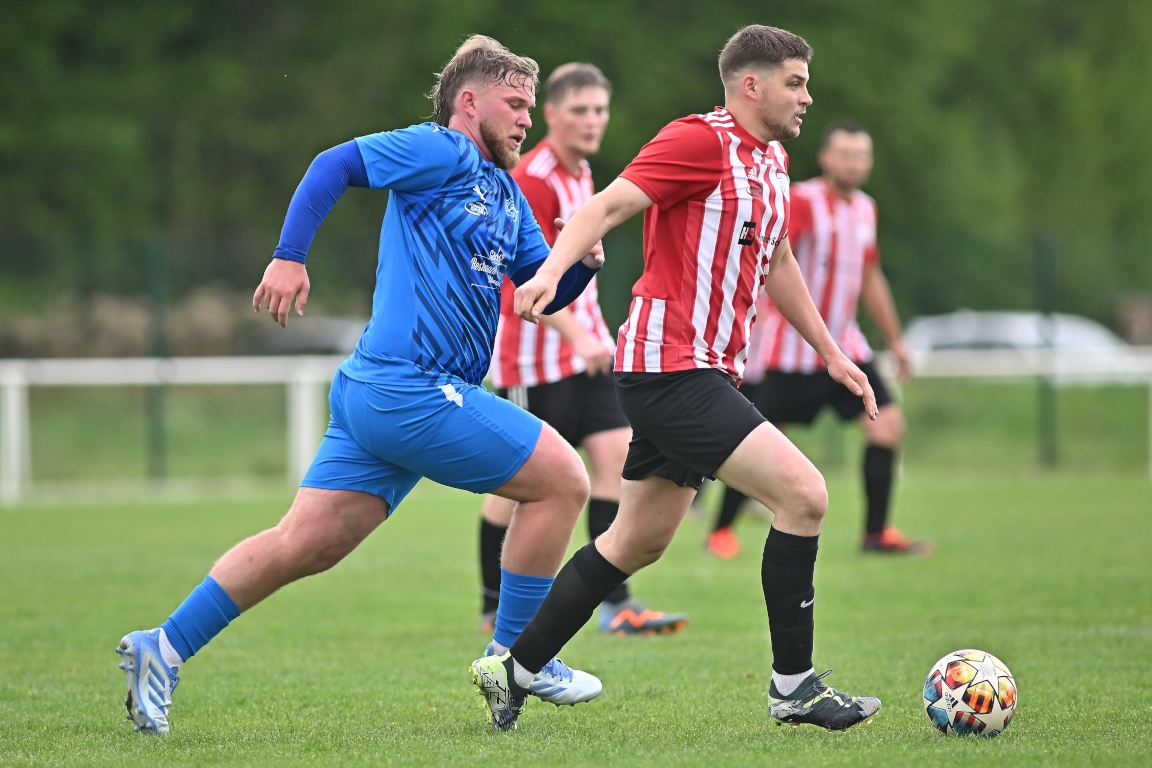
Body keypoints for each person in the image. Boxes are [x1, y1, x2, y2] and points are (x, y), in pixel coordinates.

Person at [115, 35, 606, 736]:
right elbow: (334, 164)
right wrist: (289, 256)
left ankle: (160, 648)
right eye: (515, 103)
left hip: (383, 394)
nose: (528, 118)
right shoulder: (442, 149)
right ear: (469, 103)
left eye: (531, 106)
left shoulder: (503, 190)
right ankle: (517, 658)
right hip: (410, 387)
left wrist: (580, 263)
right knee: (563, 480)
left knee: (305, 544)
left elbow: (538, 291)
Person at [471, 24, 882, 732]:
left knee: (638, 539)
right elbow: (605, 207)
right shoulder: (697, 140)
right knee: (804, 495)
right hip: (670, 368)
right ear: (750, 85)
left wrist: (831, 351)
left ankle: (514, 667)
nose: (806, 97)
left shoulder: (774, 161)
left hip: (703, 372)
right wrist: (547, 274)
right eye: (794, 83)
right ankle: (795, 686)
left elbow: (778, 261)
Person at [480, 62, 687, 638]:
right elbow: (523, 283)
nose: (592, 121)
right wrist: (579, 335)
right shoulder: (534, 177)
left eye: (599, 110)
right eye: (580, 110)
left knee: (616, 463)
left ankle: (615, 604)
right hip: (534, 360)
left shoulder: (586, 174)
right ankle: (493, 605)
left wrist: (595, 336)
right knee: (516, 488)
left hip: (588, 357)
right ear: (551, 115)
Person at [706, 120, 931, 558]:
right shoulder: (804, 201)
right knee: (757, 439)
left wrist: (895, 341)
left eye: (861, 155)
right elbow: (771, 261)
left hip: (847, 348)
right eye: (844, 154)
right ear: (825, 157)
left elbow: (870, 276)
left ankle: (876, 534)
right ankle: (721, 531)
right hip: (794, 350)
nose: (854, 163)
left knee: (887, 426)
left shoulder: (866, 209)